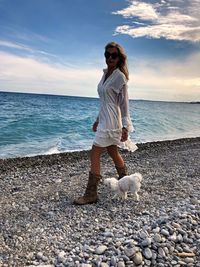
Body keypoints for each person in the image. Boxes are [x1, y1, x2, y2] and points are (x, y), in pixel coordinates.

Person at [73, 42, 137, 205]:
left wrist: (125, 126)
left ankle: (91, 194)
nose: (110, 58)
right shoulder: (104, 74)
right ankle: (126, 183)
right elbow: (104, 102)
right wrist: (97, 120)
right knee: (113, 152)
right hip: (104, 118)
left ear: (119, 58)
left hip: (112, 120)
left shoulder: (119, 77)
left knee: (95, 153)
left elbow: (123, 104)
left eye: (113, 55)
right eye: (107, 55)